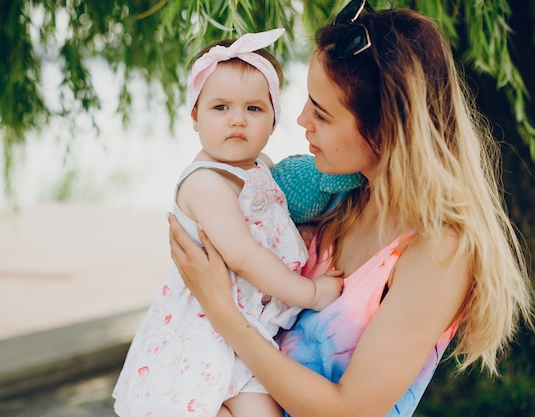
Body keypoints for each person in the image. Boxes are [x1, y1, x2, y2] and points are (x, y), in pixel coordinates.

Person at [167, 1, 535, 416]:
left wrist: (222, 313)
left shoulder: (440, 252)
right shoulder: (335, 198)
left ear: (384, 128)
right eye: (307, 102)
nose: (302, 120)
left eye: (321, 114)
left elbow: (348, 409)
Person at [113, 28, 354, 417]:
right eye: (220, 108)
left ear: (274, 121)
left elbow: (275, 224)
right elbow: (243, 256)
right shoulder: (205, 181)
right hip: (202, 336)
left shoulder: (262, 170)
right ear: (195, 116)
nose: (237, 120)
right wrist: (309, 294)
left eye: (254, 109)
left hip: (249, 335)